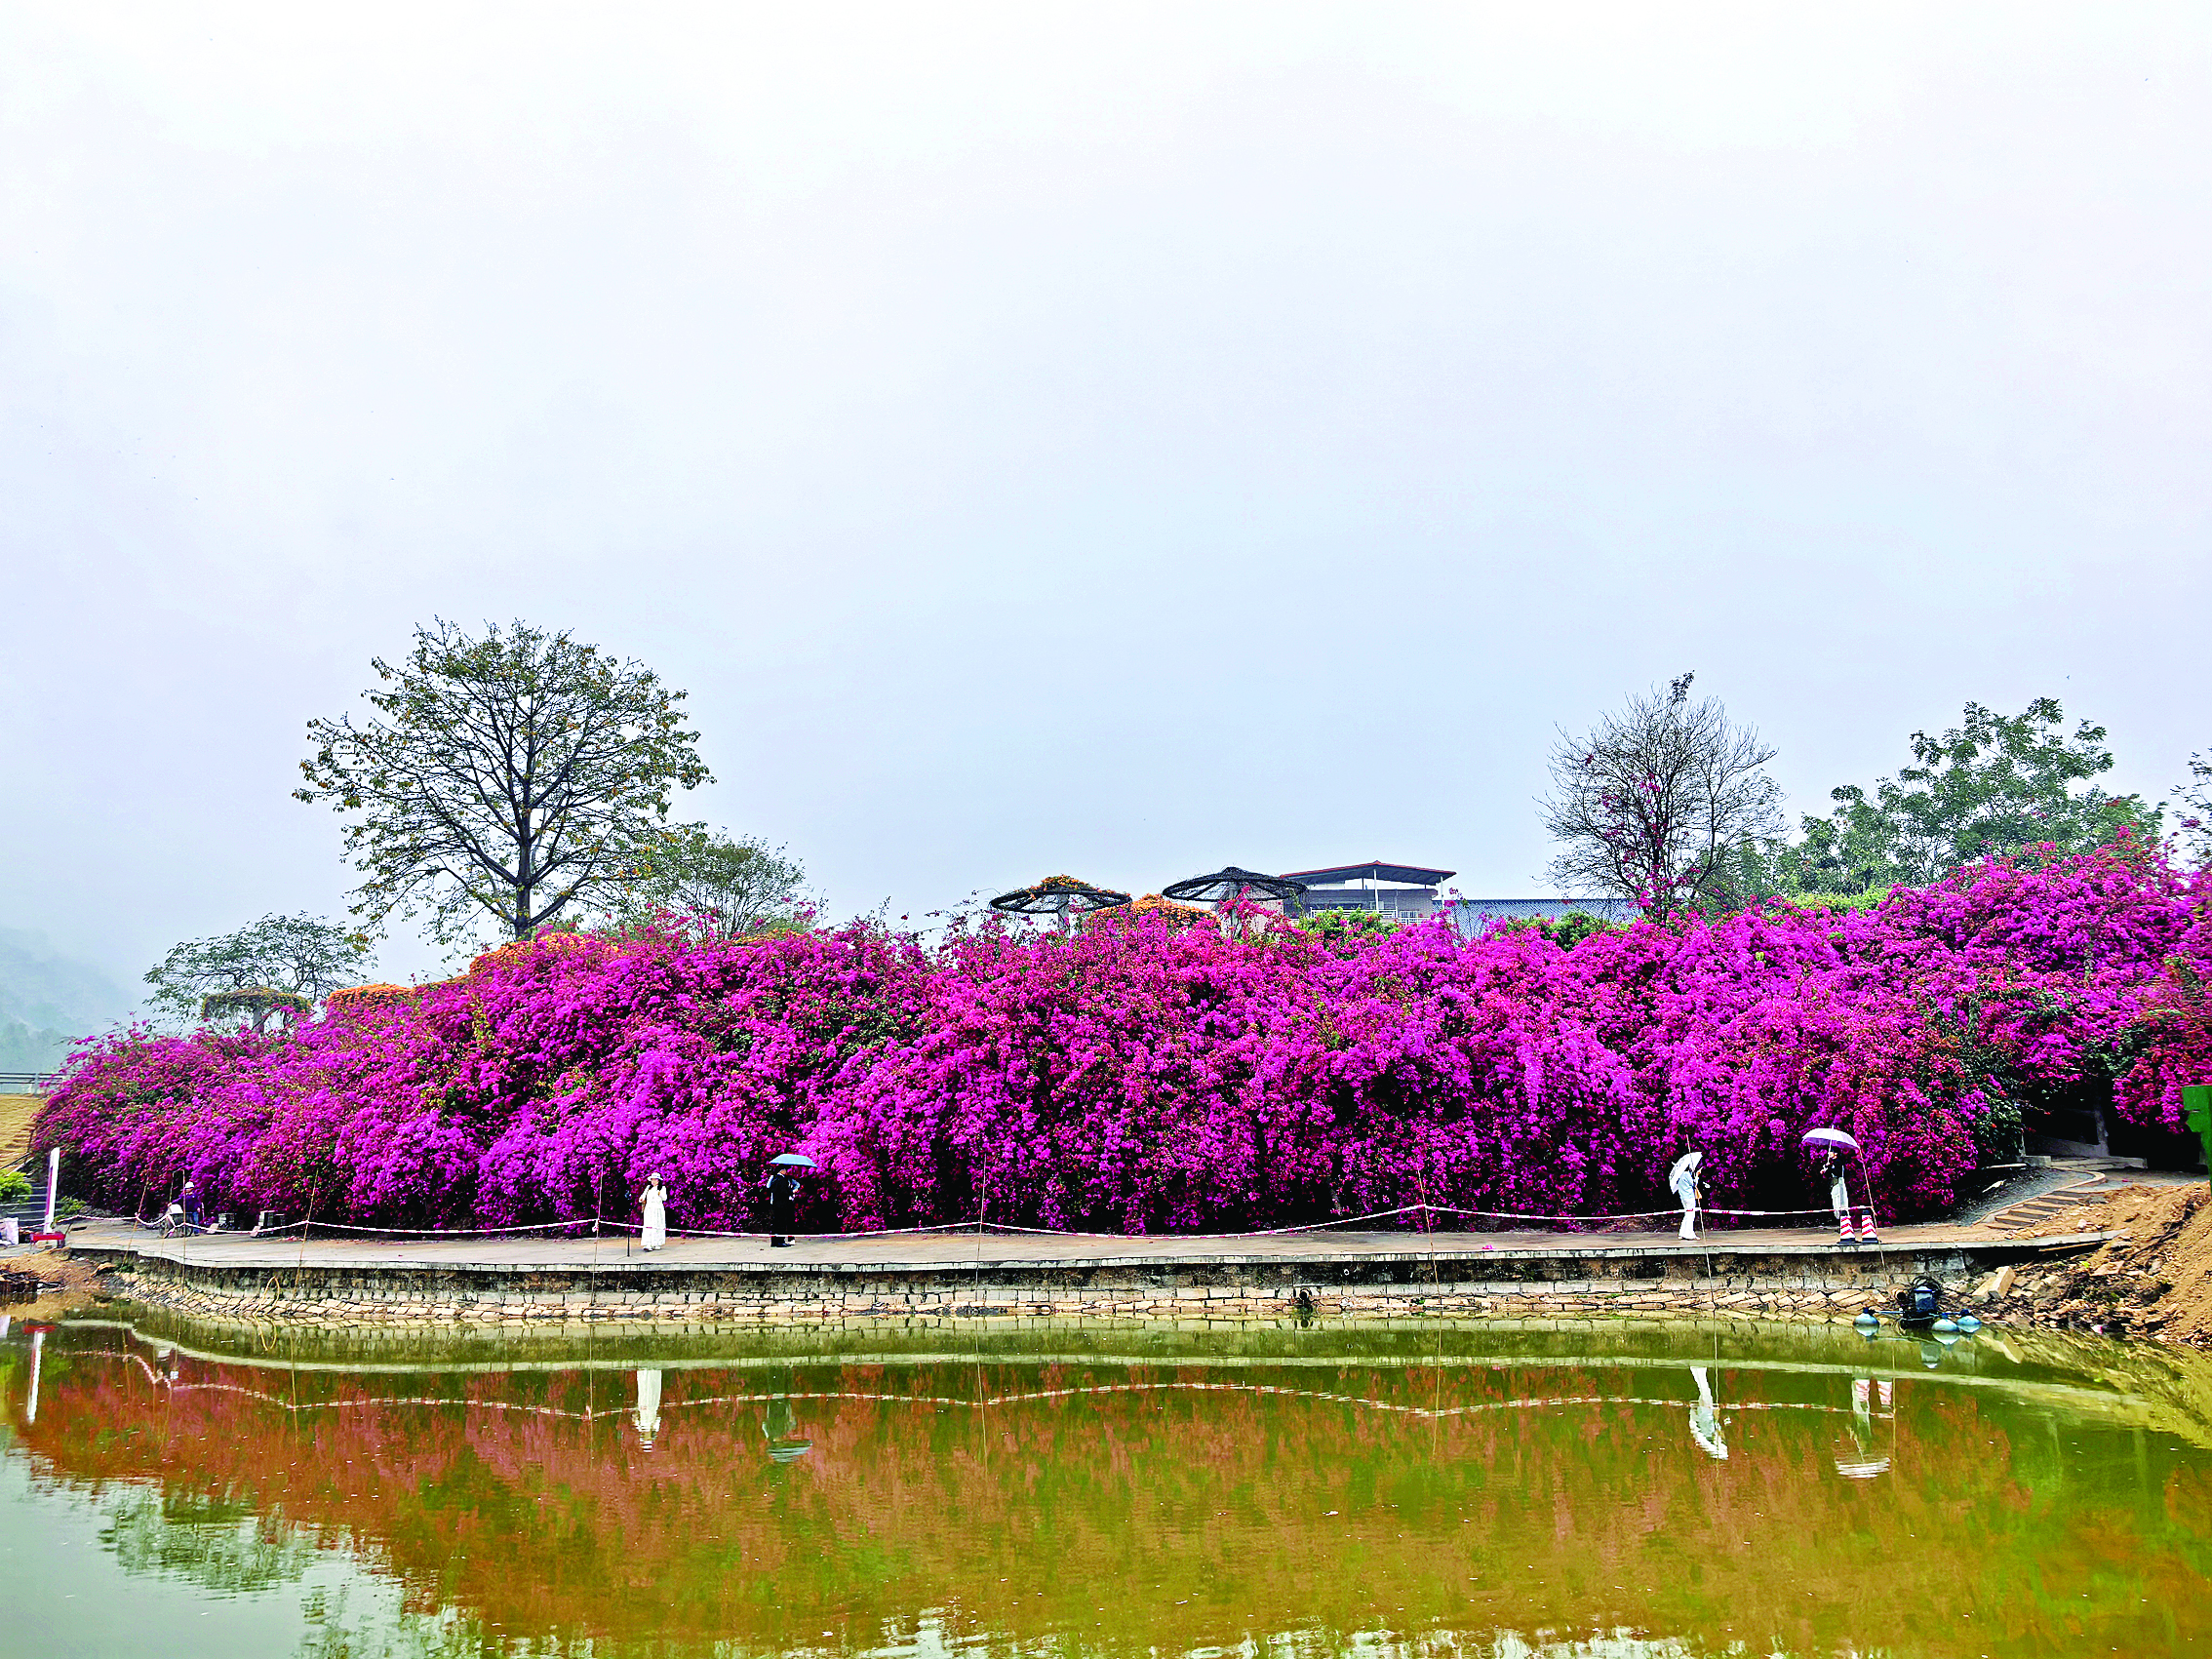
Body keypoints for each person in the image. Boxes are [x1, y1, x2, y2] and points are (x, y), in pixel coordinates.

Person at [1669, 1150, 1704, 1242]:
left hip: (1683, 1197)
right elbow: (1694, 1184)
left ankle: (1682, 1233)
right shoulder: (1686, 1174)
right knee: (1691, 1215)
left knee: (1687, 1214)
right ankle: (1689, 1234)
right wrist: (1697, 1175)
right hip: (1689, 1197)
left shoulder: (1680, 1176)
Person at [765, 1164, 801, 1247]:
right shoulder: (781, 1179)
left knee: (775, 1223)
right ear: (781, 1170)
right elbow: (783, 1191)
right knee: (781, 1223)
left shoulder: (775, 1179)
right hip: (782, 1204)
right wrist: (792, 1192)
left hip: (776, 1203)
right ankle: (780, 1241)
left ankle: (774, 1242)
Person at [640, 1173, 668, 1252]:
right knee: (649, 1225)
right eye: (652, 1179)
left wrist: (660, 1193)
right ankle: (648, 1244)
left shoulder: (662, 1188)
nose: (653, 1181)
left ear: (658, 1180)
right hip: (649, 1209)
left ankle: (657, 1243)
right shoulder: (648, 1188)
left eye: (655, 1179)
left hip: (657, 1209)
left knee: (657, 1225)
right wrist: (641, 1199)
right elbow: (643, 1196)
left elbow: (664, 1198)